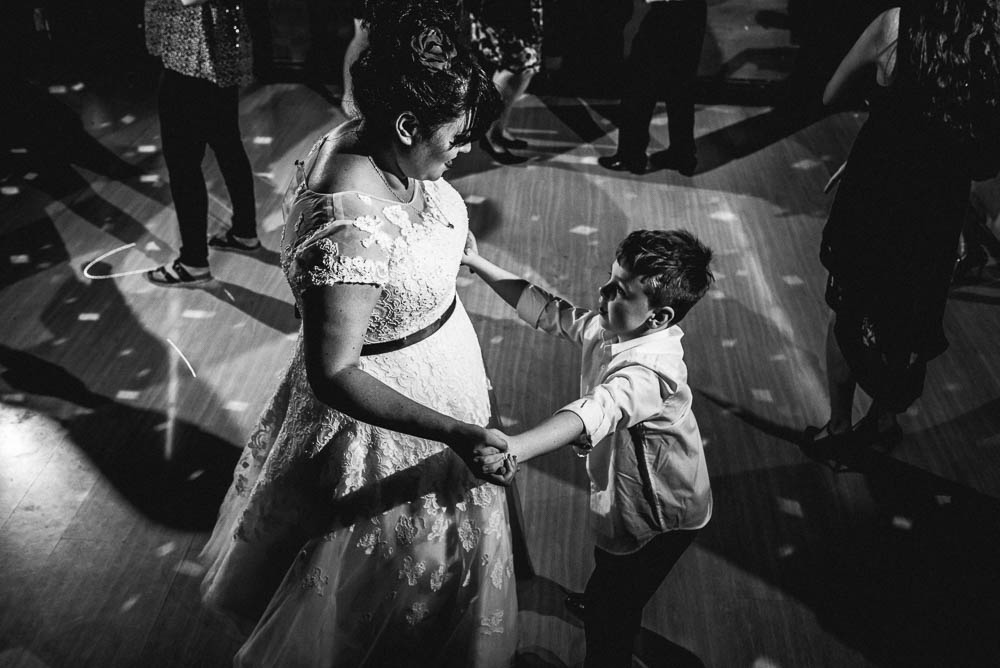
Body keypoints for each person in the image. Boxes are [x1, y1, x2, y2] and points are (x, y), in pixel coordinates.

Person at [199, 4, 519, 666]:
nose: (466, 151)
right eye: (458, 138)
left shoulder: (375, 134)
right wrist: (455, 432)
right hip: (388, 433)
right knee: (381, 602)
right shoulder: (353, 222)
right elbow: (335, 371)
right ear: (407, 124)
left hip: (433, 370)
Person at [463, 229, 715, 668]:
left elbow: (596, 409)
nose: (602, 292)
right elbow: (548, 311)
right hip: (623, 492)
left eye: (619, 290)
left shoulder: (653, 370)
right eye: (609, 278)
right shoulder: (610, 326)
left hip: (659, 513)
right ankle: (603, 596)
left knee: (613, 615)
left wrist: (516, 447)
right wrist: (478, 264)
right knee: (611, 574)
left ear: (659, 318)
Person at [806, 0, 1000, 450]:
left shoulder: (894, 24)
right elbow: (985, 159)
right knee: (910, 318)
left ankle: (837, 430)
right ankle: (882, 421)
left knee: (848, 311)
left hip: (875, 189)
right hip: (936, 206)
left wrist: (886, 116)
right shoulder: (992, 41)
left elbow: (831, 95)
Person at [143, 0, 262, 287]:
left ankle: (193, 262)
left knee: (184, 164)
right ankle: (244, 232)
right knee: (227, 143)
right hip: (214, 54)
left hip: (194, 57)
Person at [597, 0, 707, 176]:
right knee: (680, 88)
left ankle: (630, 157)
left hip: (669, 14)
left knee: (639, 86)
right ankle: (682, 155)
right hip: (692, 13)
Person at [467, 0, 543, 164]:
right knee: (513, 67)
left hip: (521, 8)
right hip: (501, 8)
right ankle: (491, 135)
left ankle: (498, 130)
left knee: (526, 68)